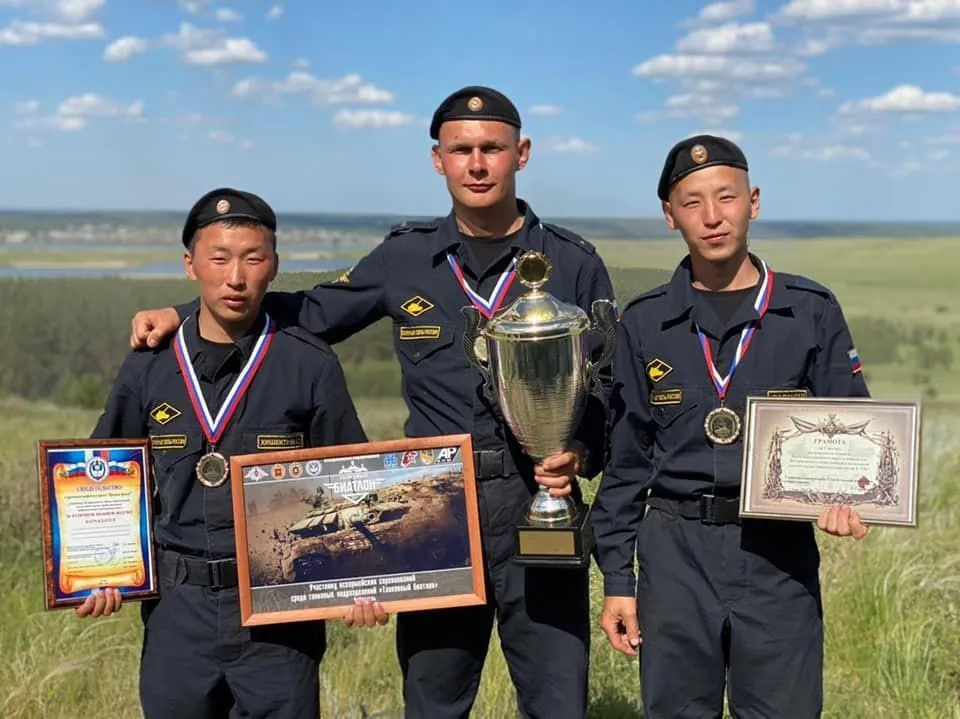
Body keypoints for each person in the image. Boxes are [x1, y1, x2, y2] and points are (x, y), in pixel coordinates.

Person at [126, 86, 617, 719]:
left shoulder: (573, 263)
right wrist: (190, 311)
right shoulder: (404, 257)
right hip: (433, 509)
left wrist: (578, 450)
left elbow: (607, 381)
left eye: (491, 149)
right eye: (460, 149)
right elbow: (307, 312)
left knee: (557, 698)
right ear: (436, 159)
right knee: (434, 697)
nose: (476, 163)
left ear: (520, 154)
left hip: (536, 499)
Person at [592, 134, 871, 719]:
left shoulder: (809, 311)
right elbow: (626, 464)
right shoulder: (643, 323)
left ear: (755, 201)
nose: (713, 217)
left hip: (776, 554)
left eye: (727, 197)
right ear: (670, 215)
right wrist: (619, 578)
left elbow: (856, 435)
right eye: (692, 202)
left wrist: (847, 500)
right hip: (674, 555)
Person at [76, 187, 372, 718]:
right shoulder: (149, 363)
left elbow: (351, 478)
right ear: (191, 265)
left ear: (274, 267)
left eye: (253, 258)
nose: (236, 277)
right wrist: (99, 570)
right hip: (177, 610)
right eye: (219, 258)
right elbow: (103, 473)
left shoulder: (309, 364)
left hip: (281, 610)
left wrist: (364, 577)